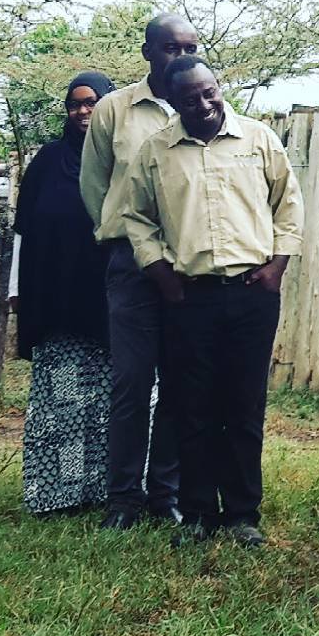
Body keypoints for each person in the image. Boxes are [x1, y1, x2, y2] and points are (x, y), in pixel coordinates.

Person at [121, 56, 304, 547]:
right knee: (192, 407)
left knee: (244, 406)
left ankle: (243, 514)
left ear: (219, 88)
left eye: (209, 92)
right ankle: (199, 512)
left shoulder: (258, 139)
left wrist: (277, 265)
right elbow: (136, 217)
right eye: (189, 99)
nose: (203, 104)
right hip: (189, 298)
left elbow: (288, 203)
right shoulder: (157, 150)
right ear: (174, 102)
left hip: (251, 295)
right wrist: (161, 273)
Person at [79, 13, 198, 530]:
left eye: (191, 47)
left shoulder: (204, 102)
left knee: (178, 382)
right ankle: (122, 498)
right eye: (172, 48)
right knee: (131, 382)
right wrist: (123, 236)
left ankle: (164, 494)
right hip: (131, 266)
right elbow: (95, 186)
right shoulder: (114, 110)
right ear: (149, 51)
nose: (183, 57)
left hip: (189, 268)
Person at [9, 72, 117, 514]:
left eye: (92, 102)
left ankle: (115, 490)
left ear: (109, 105)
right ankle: (62, 493)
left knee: (115, 399)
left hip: (114, 302)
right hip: (59, 303)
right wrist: (17, 288)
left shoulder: (124, 157)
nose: (83, 111)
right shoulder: (48, 162)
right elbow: (23, 230)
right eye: (75, 104)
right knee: (65, 400)